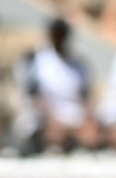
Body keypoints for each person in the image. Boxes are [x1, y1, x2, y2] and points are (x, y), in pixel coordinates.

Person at [20, 18, 99, 153]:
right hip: (47, 118)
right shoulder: (36, 61)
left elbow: (86, 98)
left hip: (74, 118)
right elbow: (33, 96)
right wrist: (53, 117)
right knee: (54, 133)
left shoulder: (78, 65)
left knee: (91, 134)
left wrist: (88, 119)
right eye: (57, 34)